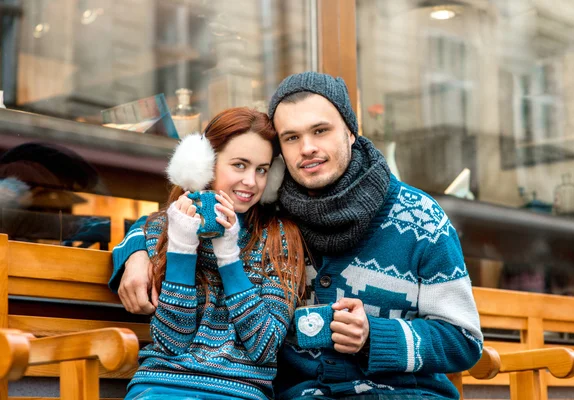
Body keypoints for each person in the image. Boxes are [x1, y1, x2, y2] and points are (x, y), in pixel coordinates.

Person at [112, 72, 483, 400]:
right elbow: (168, 222)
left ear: (351, 132)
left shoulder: (420, 217)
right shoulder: (271, 215)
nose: (307, 147)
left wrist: (375, 336)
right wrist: (135, 255)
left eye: (320, 131)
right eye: (291, 137)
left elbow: (463, 340)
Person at [112, 107, 306, 400]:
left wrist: (229, 257)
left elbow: (264, 347)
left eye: (262, 169)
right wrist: (181, 248)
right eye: (239, 165)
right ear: (205, 164)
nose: (251, 182)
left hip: (239, 391)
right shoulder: (165, 228)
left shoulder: (279, 238)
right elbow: (172, 342)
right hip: (161, 386)